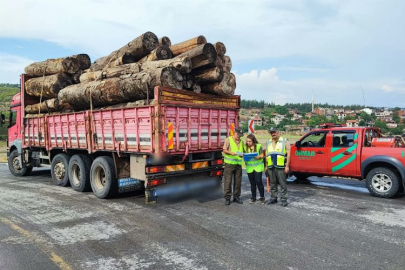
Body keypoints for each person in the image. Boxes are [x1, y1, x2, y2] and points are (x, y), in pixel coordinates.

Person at [266, 127, 291, 207]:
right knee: (272, 183)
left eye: (274, 132)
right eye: (271, 133)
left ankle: (284, 199)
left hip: (280, 166)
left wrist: (287, 166)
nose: (273, 134)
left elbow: (289, 154)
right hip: (271, 166)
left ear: (278, 132)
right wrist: (266, 166)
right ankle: (273, 198)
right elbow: (267, 155)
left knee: (282, 183)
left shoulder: (284, 141)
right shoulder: (268, 142)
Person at [222, 127, 244, 205]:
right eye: (238, 134)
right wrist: (231, 153)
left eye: (240, 135)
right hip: (229, 164)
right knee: (228, 181)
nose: (239, 136)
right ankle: (227, 198)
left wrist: (242, 155)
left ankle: (236, 197)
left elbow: (242, 151)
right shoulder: (228, 140)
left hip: (238, 165)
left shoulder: (241, 141)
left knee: (238, 182)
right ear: (234, 132)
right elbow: (224, 150)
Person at [244, 134, 265, 204]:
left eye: (249, 141)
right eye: (247, 141)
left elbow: (263, 155)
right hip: (250, 168)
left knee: (259, 182)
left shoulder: (258, 146)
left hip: (257, 167)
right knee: (252, 183)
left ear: (253, 141)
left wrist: (259, 156)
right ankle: (253, 198)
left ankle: (262, 197)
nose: (248, 143)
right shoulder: (245, 147)